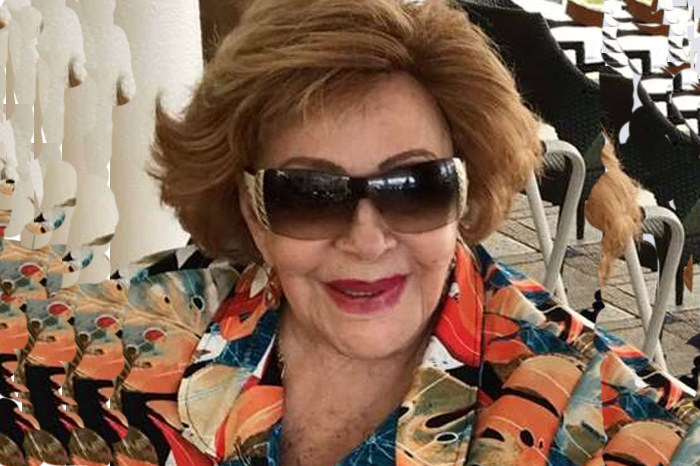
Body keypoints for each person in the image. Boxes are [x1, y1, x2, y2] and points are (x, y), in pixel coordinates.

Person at [149, 0, 698, 465]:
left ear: (464, 192)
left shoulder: (635, 436)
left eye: (414, 187)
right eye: (308, 195)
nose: (367, 242)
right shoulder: (123, 336)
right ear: (251, 210)